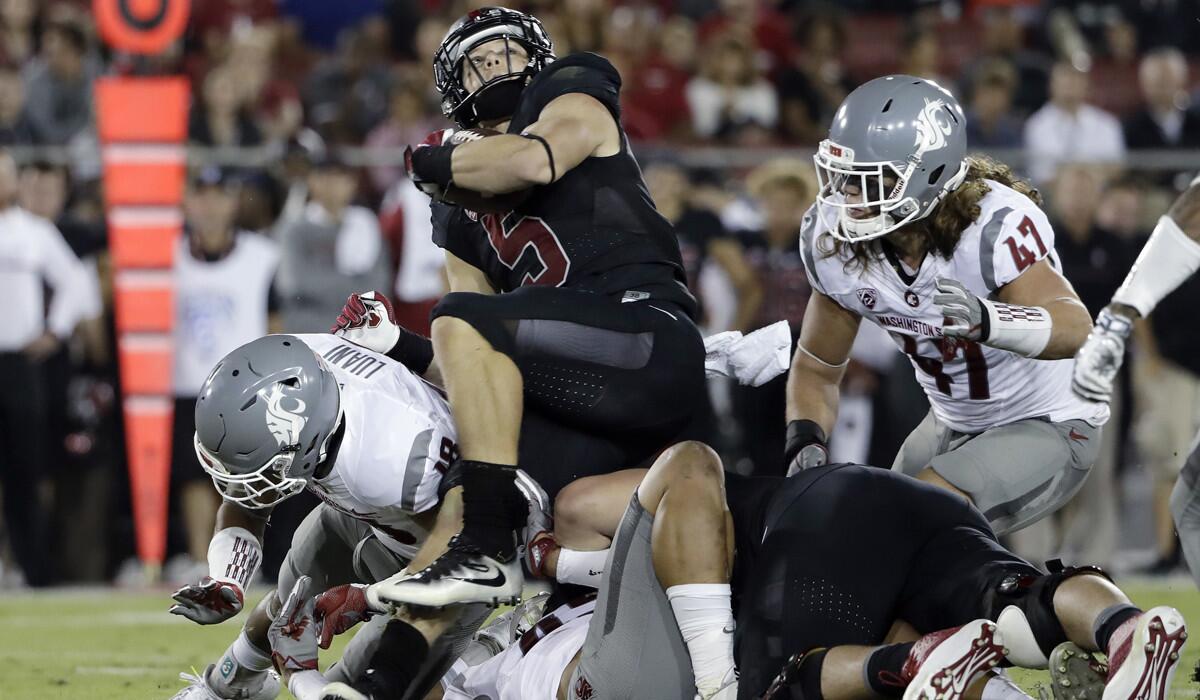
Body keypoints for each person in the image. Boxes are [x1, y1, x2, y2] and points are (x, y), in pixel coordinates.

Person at [342, 6, 706, 612]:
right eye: (478, 61)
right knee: (467, 487)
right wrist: (399, 349)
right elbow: (476, 365)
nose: (496, 66)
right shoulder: (455, 217)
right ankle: (382, 668)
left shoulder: (570, 88)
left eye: (505, 51)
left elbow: (533, 161)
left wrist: (432, 163)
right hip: (578, 391)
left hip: (645, 335)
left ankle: (486, 550)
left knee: (459, 324)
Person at [786, 75, 1106, 537]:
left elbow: (1076, 328)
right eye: (842, 177)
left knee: (915, 528)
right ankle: (1019, 611)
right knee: (868, 537)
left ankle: (1087, 612)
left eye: (867, 179)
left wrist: (991, 321)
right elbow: (817, 366)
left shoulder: (989, 228)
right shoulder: (836, 242)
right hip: (951, 422)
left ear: (925, 173)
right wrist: (805, 440)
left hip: (1048, 421)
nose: (847, 197)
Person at [168, 333, 487, 700]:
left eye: (259, 469)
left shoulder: (389, 462)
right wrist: (229, 577)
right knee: (291, 597)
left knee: (355, 687)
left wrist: (365, 598)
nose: (241, 485)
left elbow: (464, 552)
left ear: (303, 444)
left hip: (457, 561)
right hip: (380, 518)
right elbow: (246, 497)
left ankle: (496, 646)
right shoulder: (296, 371)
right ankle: (226, 686)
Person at [1073, 175, 1200, 588]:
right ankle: (1168, 556)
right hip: (1176, 368)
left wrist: (1118, 316)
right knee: (1186, 494)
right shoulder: (1161, 246)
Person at [170, 167, 282, 575]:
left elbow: (275, 319)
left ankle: (238, 560)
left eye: (219, 196)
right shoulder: (167, 254)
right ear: (186, 202)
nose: (210, 206)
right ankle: (203, 560)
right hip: (185, 380)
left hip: (245, 385)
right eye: (201, 195)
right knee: (192, 476)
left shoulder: (262, 256)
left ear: (234, 202)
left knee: (244, 478)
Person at [0, 149, 96, 586]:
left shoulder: (33, 231)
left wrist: (54, 332)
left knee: (25, 467)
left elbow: (75, 281)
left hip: (19, 363)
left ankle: (32, 567)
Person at [1023, 61, 1125, 185]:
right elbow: (1039, 173)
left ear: (1086, 84)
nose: (1070, 83)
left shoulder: (1107, 124)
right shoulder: (1036, 125)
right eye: (1065, 77)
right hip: (1048, 199)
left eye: (1076, 78)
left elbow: (1116, 169)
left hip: (1100, 195)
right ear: (1052, 84)